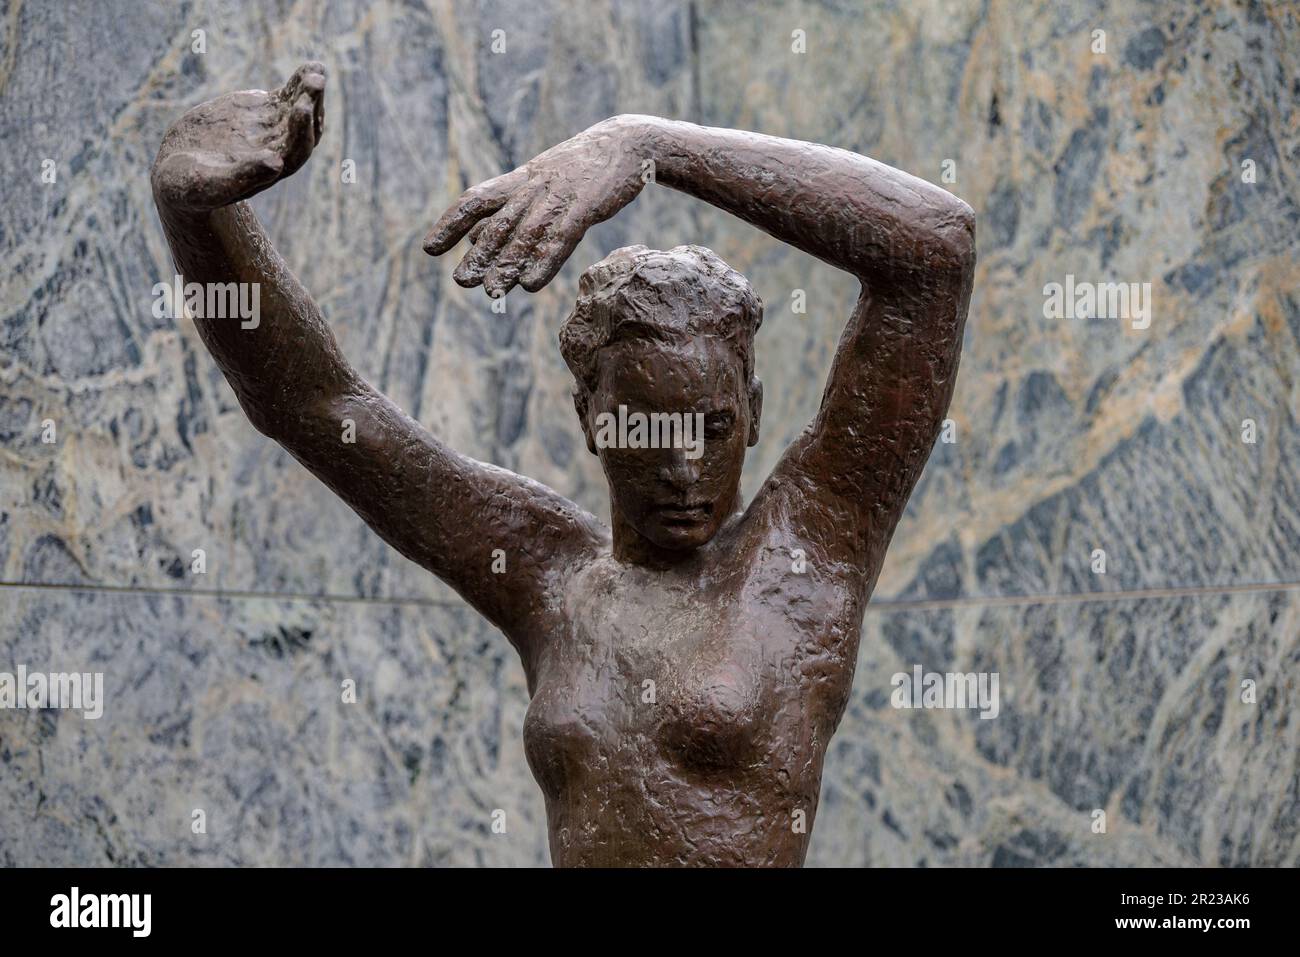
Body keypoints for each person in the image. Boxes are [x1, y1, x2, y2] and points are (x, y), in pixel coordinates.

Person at [152, 62, 976, 866]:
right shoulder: (547, 574)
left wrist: (650, 146)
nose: (685, 468)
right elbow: (319, 405)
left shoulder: (805, 556)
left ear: (754, 413)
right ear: (591, 419)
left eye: (713, 426)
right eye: (648, 431)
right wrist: (197, 218)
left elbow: (936, 251)